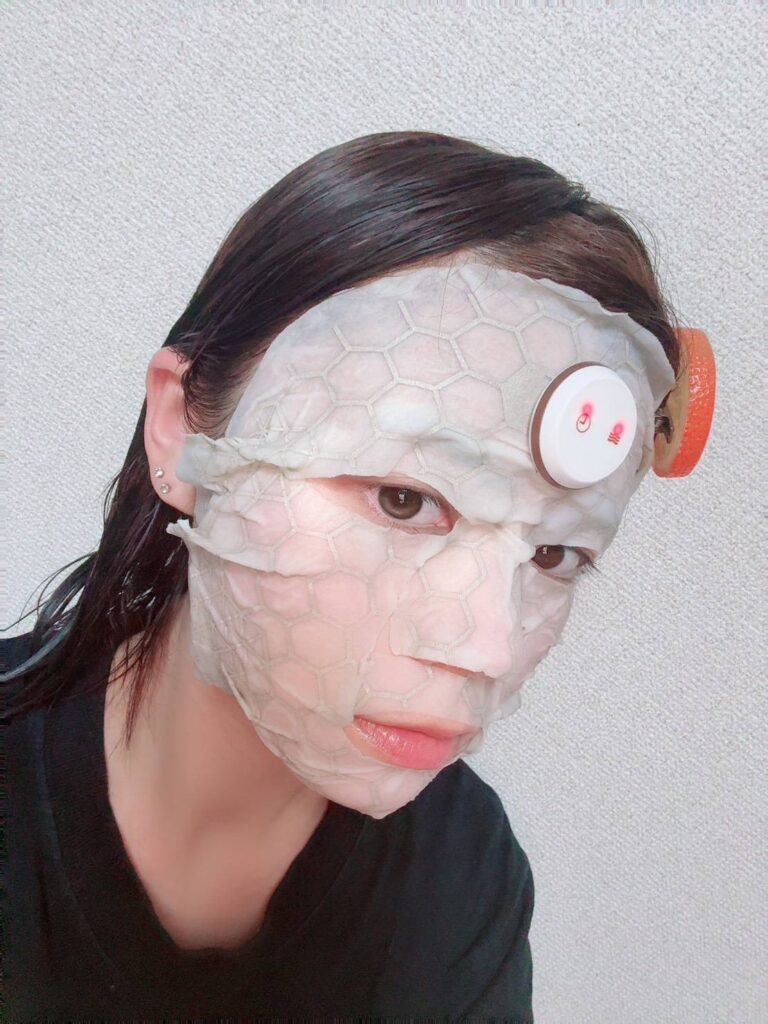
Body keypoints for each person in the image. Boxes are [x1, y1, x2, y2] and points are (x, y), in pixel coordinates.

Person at [1, 130, 715, 1020]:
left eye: (554, 555)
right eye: (404, 501)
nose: (488, 648)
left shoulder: (466, 879)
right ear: (180, 431)